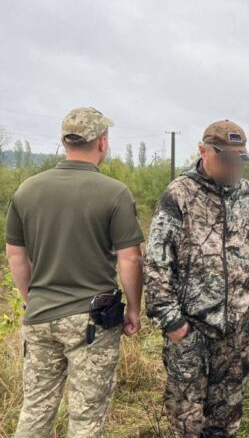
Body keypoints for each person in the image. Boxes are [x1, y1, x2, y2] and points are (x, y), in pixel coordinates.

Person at [6, 107, 144, 437]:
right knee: (86, 418)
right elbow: (131, 260)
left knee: (35, 411)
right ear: (102, 143)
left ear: (64, 141)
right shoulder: (114, 192)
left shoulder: (26, 191)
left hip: (39, 318)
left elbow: (15, 256)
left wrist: (32, 299)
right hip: (90, 322)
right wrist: (135, 310)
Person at [144, 119, 249, 437]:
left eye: (239, 158)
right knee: (187, 422)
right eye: (226, 157)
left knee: (225, 422)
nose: (233, 165)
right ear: (203, 151)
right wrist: (173, 323)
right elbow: (156, 264)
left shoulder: (248, 195)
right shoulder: (179, 195)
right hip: (190, 331)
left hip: (235, 334)